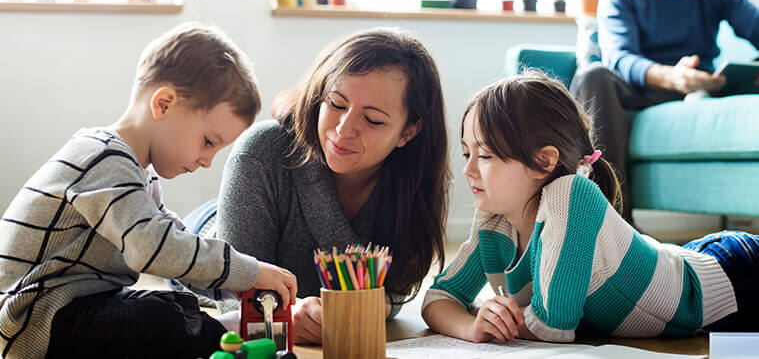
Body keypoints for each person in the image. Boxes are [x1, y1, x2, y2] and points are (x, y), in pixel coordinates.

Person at [0, 23, 297, 359]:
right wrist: (249, 271)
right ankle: (224, 337)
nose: (207, 161)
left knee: (169, 304)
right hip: (36, 321)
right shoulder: (102, 157)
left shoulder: (139, 175)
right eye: (208, 142)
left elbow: (180, 247)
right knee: (155, 319)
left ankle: (226, 334)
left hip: (77, 306)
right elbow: (154, 249)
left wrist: (241, 285)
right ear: (164, 104)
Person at [422, 71, 758, 343]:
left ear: (543, 161)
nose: (468, 170)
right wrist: (473, 328)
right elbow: (438, 298)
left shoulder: (571, 196)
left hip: (734, 276)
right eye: (467, 154)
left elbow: (551, 327)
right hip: (688, 266)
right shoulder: (493, 219)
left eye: (485, 156)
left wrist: (499, 318)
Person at [215, 27, 451, 344]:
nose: (344, 129)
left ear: (408, 132)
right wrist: (283, 317)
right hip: (210, 234)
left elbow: (395, 292)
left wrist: (363, 306)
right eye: (337, 104)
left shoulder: (415, 180)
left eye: (373, 120)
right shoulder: (261, 151)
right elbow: (233, 292)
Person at [570, 0, 759, 223]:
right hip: (636, 90)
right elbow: (620, 57)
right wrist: (671, 76)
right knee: (593, 77)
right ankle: (612, 223)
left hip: (696, 90)